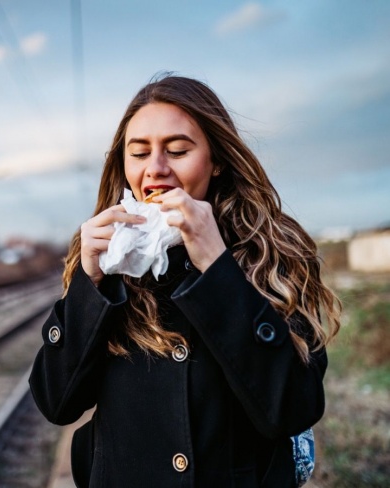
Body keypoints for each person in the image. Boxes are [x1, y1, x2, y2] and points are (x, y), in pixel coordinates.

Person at [28, 74, 341, 487]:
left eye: (177, 150)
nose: (156, 169)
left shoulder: (273, 256)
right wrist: (90, 285)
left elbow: (291, 408)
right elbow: (57, 403)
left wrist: (217, 267)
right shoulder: (109, 260)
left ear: (217, 160)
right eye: (139, 153)